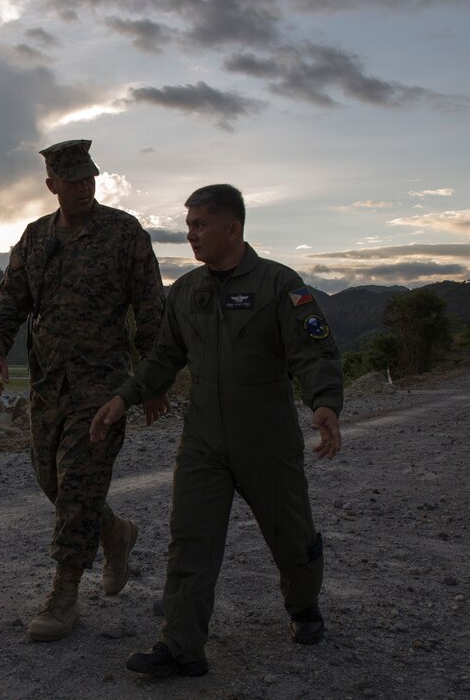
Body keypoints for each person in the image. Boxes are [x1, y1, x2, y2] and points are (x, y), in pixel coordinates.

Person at [90, 183, 344, 678]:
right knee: (191, 536)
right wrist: (126, 396)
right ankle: (182, 646)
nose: (191, 235)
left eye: (201, 225)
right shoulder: (187, 291)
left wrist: (325, 404)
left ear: (234, 227)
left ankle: (303, 605)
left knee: (290, 534)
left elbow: (313, 353)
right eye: (188, 226)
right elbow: (165, 357)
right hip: (204, 435)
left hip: (266, 435)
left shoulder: (279, 286)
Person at [0, 139, 166, 642]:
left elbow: (150, 309)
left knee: (79, 485)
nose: (84, 187)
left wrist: (151, 381)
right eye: (73, 180)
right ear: (52, 186)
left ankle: (64, 595)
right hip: (49, 386)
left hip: (103, 386)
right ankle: (115, 532)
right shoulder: (36, 238)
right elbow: (9, 298)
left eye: (90, 178)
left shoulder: (124, 233)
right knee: (53, 482)